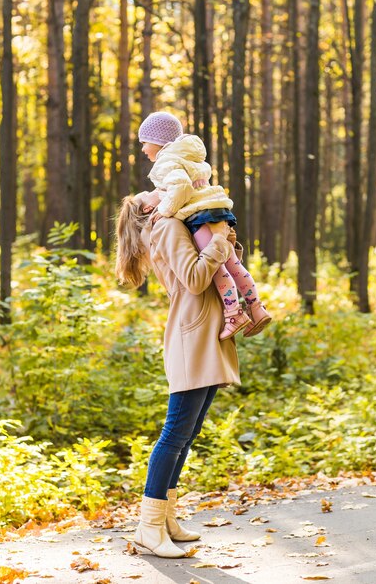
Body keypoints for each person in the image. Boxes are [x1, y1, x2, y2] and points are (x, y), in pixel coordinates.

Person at [115, 194, 243, 558]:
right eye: (154, 193)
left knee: (186, 435)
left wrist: (224, 243)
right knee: (174, 435)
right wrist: (218, 244)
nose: (166, 190)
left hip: (203, 333)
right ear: (147, 209)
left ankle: (166, 519)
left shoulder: (175, 224)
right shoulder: (168, 227)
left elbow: (209, 269)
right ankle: (149, 528)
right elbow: (194, 279)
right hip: (192, 335)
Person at [136, 111, 271, 340]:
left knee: (217, 266)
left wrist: (165, 210)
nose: (142, 149)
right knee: (234, 264)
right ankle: (256, 308)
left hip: (199, 216)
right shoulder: (190, 156)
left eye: (144, 142)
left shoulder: (166, 162)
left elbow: (181, 188)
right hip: (217, 208)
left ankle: (234, 314)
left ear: (158, 142)